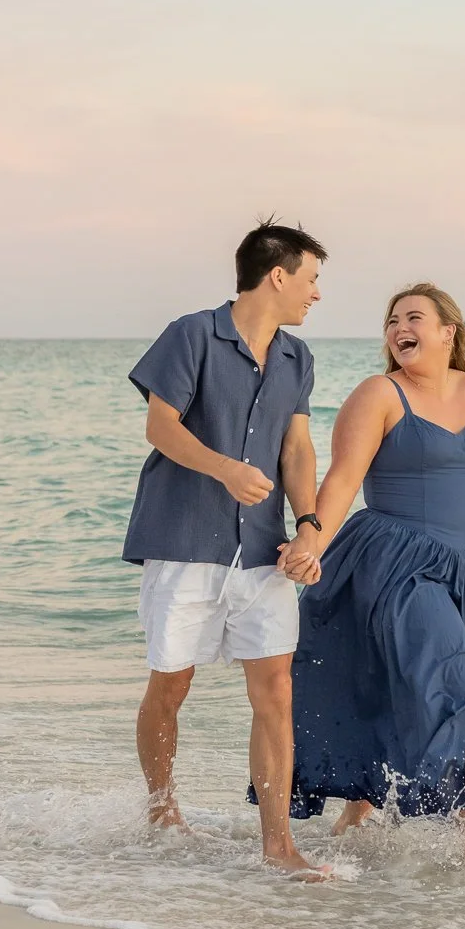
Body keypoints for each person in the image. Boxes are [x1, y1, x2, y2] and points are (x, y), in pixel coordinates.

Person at [275, 283, 465, 858]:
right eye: (392, 320)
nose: (400, 328)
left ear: (450, 330)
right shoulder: (380, 393)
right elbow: (344, 478)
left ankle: (355, 820)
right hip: (394, 560)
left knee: (397, 686)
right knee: (454, 680)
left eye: (414, 317)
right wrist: (311, 539)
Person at [122, 219, 331, 880]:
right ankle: (161, 809)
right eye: (311, 279)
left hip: (264, 550)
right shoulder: (192, 335)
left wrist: (309, 523)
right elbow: (161, 426)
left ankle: (279, 847)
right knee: (171, 685)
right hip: (184, 542)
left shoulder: (298, 360)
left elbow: (296, 449)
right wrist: (224, 469)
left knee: (275, 690)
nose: (315, 295)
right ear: (278, 275)